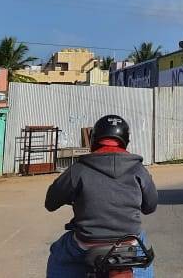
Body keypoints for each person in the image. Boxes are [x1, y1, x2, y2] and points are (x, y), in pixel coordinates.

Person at [46, 115, 157, 278]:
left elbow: (51, 202)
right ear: (125, 140)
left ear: (94, 139)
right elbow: (150, 206)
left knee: (58, 253)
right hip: (128, 243)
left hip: (86, 244)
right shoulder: (138, 169)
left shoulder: (78, 169)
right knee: (143, 250)